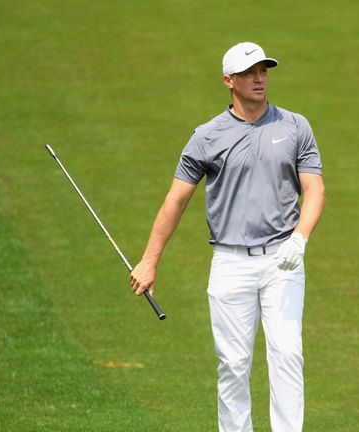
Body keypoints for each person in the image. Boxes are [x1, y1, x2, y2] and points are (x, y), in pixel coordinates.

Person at [129, 42, 325, 432]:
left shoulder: (294, 126)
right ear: (228, 80)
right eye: (250, 72)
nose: (259, 78)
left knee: (287, 354)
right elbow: (176, 200)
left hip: (282, 260)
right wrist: (150, 260)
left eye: (264, 71)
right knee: (233, 363)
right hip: (230, 263)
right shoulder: (206, 137)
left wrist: (299, 240)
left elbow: (314, 189)